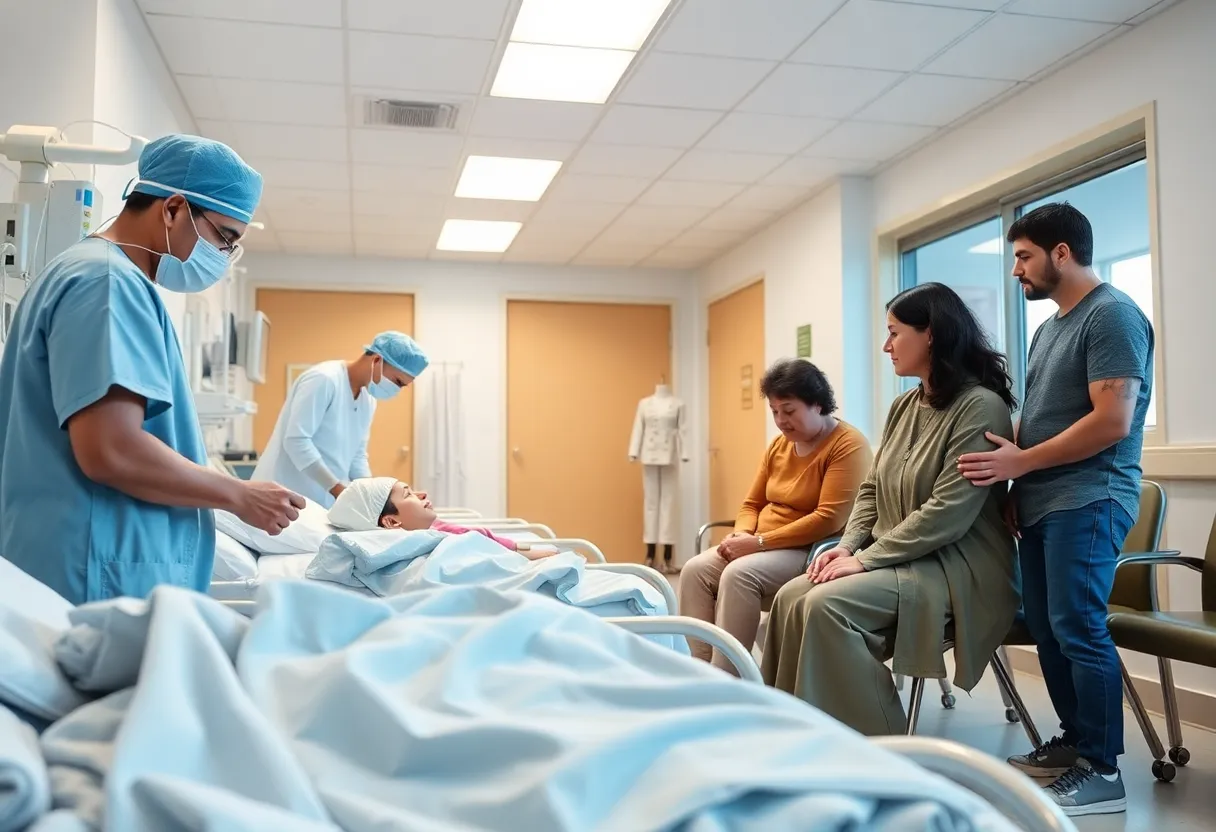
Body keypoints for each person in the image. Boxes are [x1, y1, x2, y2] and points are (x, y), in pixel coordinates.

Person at [0, 134, 303, 605]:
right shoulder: (106, 284)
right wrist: (239, 496)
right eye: (225, 237)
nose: (222, 257)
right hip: (94, 576)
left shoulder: (91, 275)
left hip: (95, 566)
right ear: (174, 209)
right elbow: (111, 449)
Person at [957, 203, 1154, 817]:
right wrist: (1016, 485)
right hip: (1044, 501)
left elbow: (1111, 421)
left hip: (1091, 498)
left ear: (1061, 253)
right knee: (1046, 628)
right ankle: (1074, 747)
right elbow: (1036, 422)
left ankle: (1103, 769)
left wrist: (1023, 465)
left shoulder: (1113, 316)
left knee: (1078, 626)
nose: (1016, 270)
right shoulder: (1049, 329)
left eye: (1023, 256)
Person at [763, 283, 1019, 736]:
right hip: (901, 555)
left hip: (958, 564)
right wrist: (847, 547)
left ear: (932, 335)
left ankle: (883, 752)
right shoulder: (905, 405)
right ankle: (793, 734)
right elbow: (870, 490)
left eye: (894, 333)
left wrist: (863, 560)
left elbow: (947, 513)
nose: (886, 346)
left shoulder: (981, 407)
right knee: (789, 597)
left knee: (827, 606)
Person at [680, 359, 871, 675]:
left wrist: (758, 543)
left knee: (739, 575)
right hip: (761, 544)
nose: (781, 421)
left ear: (818, 404)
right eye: (775, 412)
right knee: (695, 570)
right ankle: (701, 672)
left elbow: (828, 519)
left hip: (810, 550)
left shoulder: (847, 446)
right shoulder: (780, 446)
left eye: (789, 410)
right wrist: (742, 535)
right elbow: (752, 503)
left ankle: (729, 678)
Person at [252, 332, 429, 508]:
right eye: (397, 382)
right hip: (283, 494)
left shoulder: (368, 399)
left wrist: (372, 495)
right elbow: (296, 440)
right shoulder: (324, 379)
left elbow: (357, 456)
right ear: (376, 360)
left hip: (321, 502)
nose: (397, 389)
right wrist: (337, 489)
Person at [327, 477, 560, 560]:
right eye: (409, 494)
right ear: (391, 522)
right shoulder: (432, 541)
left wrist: (521, 547)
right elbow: (477, 540)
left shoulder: (432, 529)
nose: (422, 495)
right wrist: (530, 553)